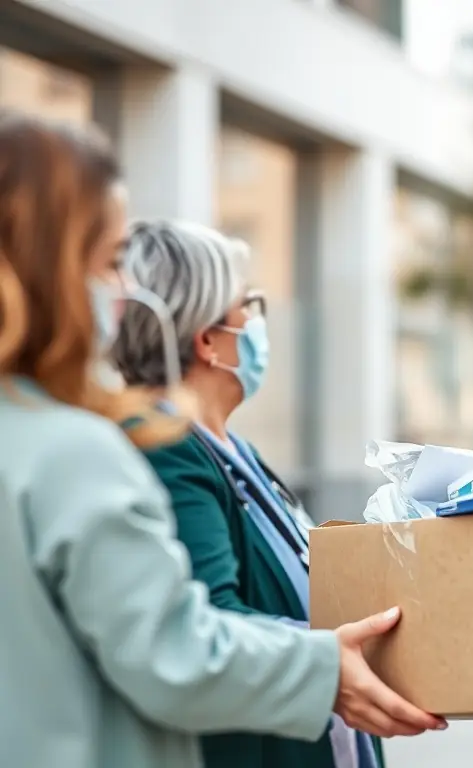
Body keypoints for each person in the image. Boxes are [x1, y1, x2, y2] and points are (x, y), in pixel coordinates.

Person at [0, 112, 446, 768]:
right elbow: (177, 650)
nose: (125, 293)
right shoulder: (82, 453)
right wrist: (325, 669)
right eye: (110, 262)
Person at [108, 218, 385, 768]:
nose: (259, 322)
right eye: (249, 305)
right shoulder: (168, 452)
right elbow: (214, 626)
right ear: (207, 340)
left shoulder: (231, 448)